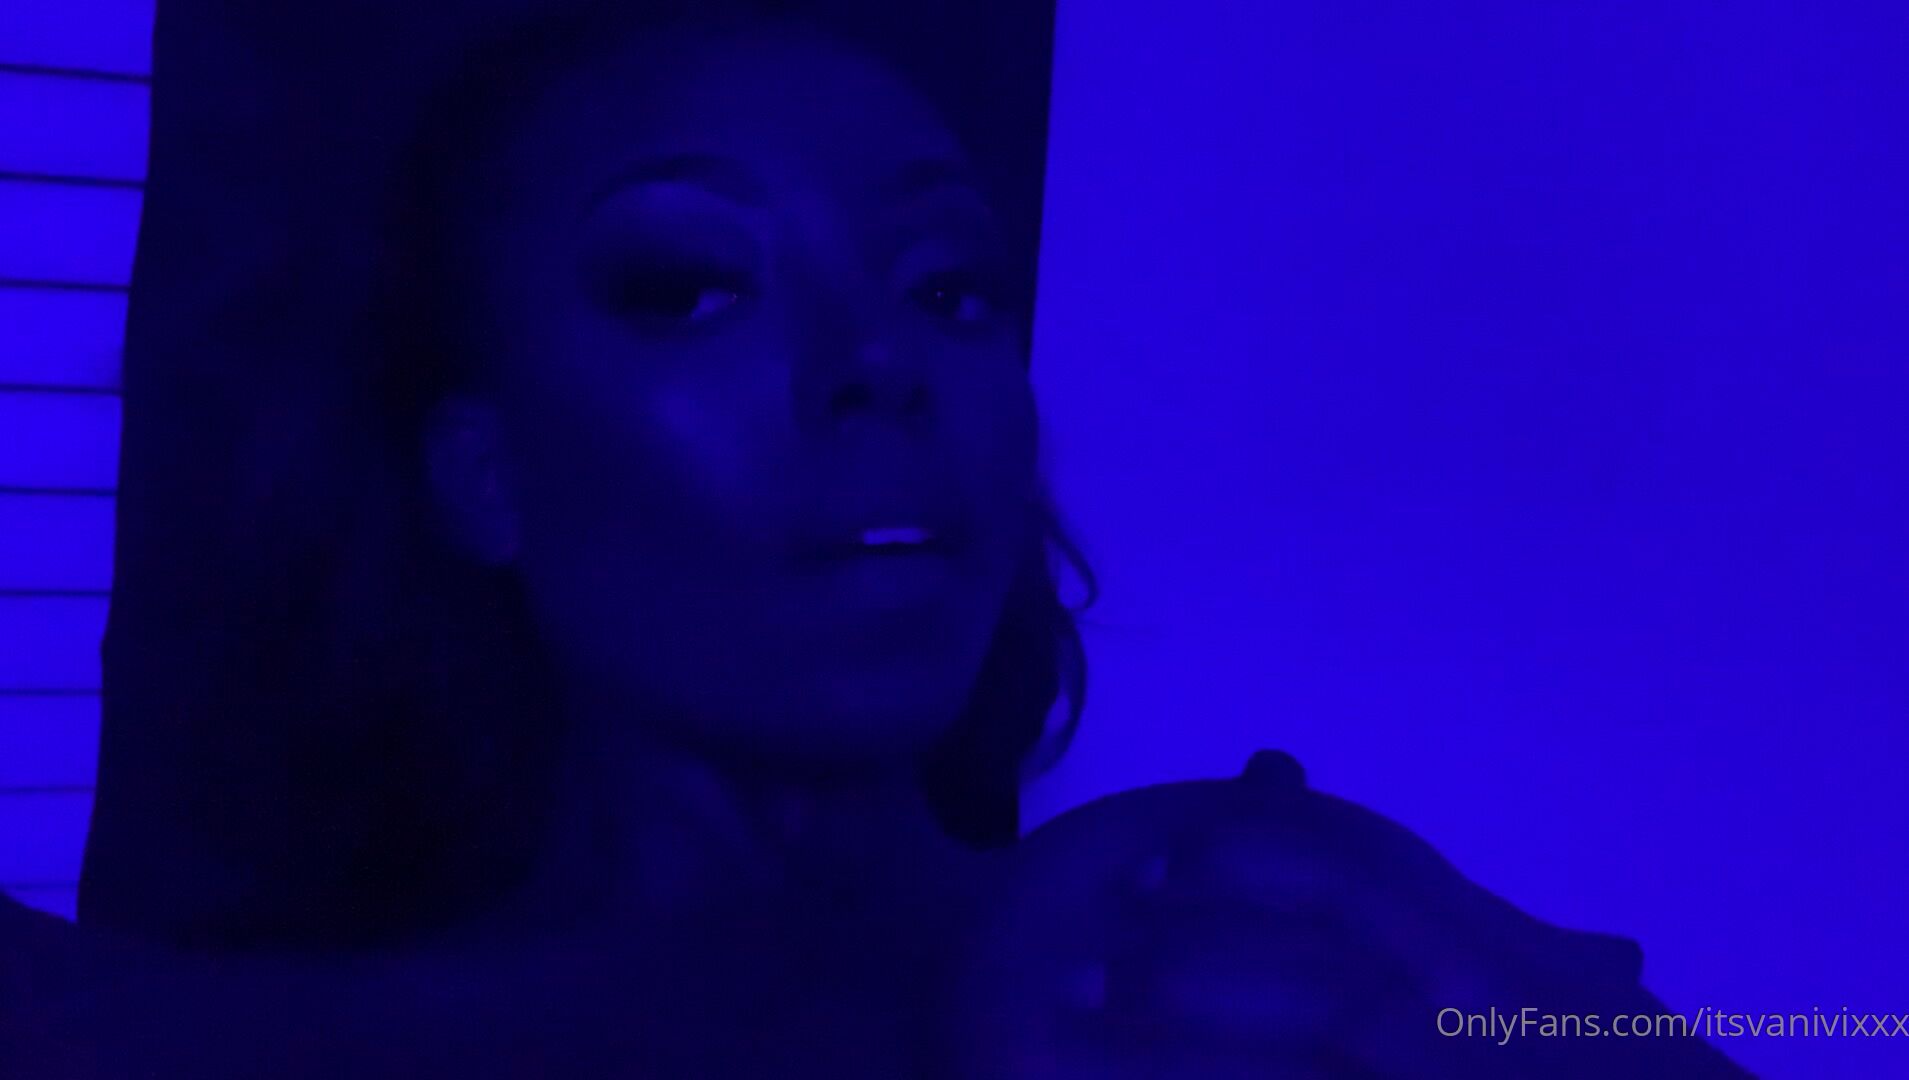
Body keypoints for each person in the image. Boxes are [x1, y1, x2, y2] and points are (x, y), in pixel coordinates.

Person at [4, 4, 1753, 1076]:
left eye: (949, 287)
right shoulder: (176, 1030)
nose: (880, 365)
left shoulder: (1249, 929)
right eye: (690, 284)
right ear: (483, 472)